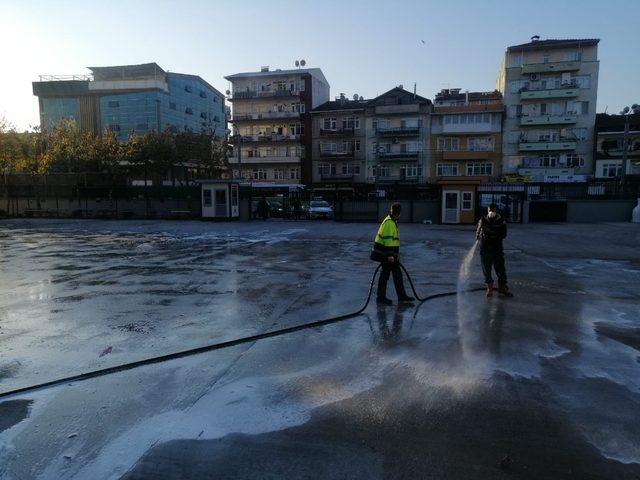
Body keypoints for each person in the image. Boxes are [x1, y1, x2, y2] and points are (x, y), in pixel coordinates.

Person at [372, 203, 414, 305]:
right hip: (386, 255)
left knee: (397, 275)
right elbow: (388, 241)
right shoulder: (389, 223)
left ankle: (401, 296)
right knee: (385, 275)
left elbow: (392, 241)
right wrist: (390, 256)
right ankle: (381, 298)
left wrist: (394, 255)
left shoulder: (391, 221)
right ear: (398, 213)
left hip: (389, 255)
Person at [476, 203, 513, 298]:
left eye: (493, 210)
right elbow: (477, 234)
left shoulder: (501, 221)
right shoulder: (482, 220)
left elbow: (504, 234)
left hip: (497, 248)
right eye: (489, 210)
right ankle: (489, 289)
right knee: (486, 269)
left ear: (496, 211)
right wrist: (480, 235)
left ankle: (502, 288)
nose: (491, 212)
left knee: (500, 269)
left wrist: (493, 234)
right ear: (487, 211)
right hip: (485, 248)